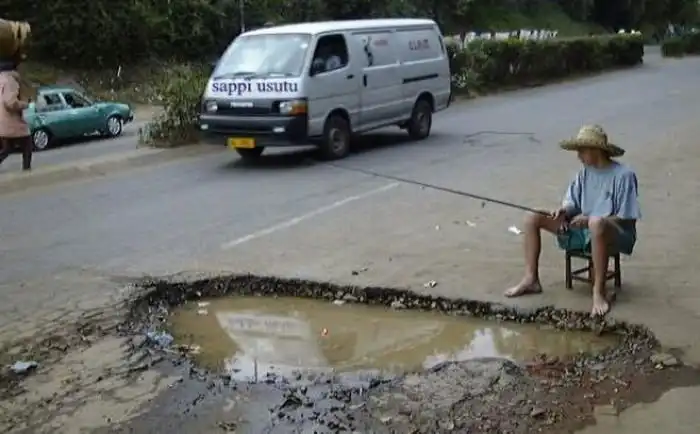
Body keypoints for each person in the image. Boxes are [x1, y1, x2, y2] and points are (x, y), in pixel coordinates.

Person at [504, 125, 641, 317]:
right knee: (532, 216)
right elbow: (572, 204)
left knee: (596, 224)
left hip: (615, 232)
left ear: (595, 150)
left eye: (582, 151)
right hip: (584, 229)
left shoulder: (624, 175)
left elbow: (626, 218)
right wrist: (564, 211)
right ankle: (531, 279)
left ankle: (598, 292)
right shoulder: (583, 173)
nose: (579, 156)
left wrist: (591, 220)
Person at [0, 19, 32, 171]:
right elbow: (10, 102)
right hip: (12, 122)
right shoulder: (11, 80)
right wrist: (25, 104)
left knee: (7, 149)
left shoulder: (2, 78)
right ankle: (27, 170)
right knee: (27, 143)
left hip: (3, 122)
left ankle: (27, 168)